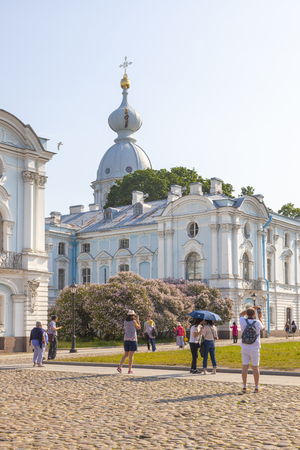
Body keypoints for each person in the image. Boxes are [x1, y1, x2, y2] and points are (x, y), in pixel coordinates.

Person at [240, 306, 265, 393]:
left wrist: (250, 308)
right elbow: (263, 328)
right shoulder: (257, 322)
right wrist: (260, 318)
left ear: (247, 313)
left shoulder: (242, 321)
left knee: (245, 367)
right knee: (255, 367)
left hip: (244, 347)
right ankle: (257, 387)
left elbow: (241, 314)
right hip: (255, 348)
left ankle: (244, 386)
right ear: (254, 314)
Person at [117, 310, 141, 374]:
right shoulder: (134, 321)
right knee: (131, 355)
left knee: (126, 354)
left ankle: (120, 367)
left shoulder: (125, 322)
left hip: (126, 339)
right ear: (133, 316)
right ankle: (130, 369)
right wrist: (138, 320)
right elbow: (139, 327)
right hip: (132, 340)